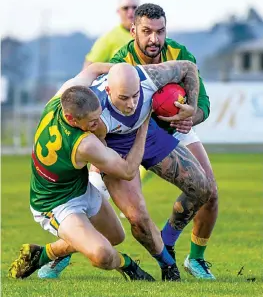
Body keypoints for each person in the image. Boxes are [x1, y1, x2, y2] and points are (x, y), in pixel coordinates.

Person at [37, 60, 213, 281]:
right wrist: (142, 127)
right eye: (123, 98)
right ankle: (168, 265)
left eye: (135, 95)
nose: (131, 104)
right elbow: (126, 170)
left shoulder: (148, 77)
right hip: (114, 146)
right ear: (109, 90)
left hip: (149, 135)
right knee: (137, 217)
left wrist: (192, 107)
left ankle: (166, 241)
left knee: (202, 188)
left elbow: (188, 67)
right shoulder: (95, 117)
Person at [8, 63, 155, 282]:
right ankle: (128, 264)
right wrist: (143, 126)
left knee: (115, 236)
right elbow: (127, 170)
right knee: (103, 255)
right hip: (54, 204)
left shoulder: (60, 99)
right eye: (93, 122)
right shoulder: (85, 144)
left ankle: (43, 254)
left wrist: (121, 75)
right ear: (71, 120)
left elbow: (95, 69)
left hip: (80, 189)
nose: (99, 125)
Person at [109, 3, 218, 280]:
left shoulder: (180, 54)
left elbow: (203, 102)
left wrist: (190, 117)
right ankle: (58, 257)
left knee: (210, 192)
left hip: (174, 128)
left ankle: (191, 257)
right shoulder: (122, 62)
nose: (154, 39)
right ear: (133, 30)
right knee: (93, 201)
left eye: (160, 31)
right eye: (146, 31)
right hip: (127, 136)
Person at [83, 0, 140, 69]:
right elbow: (88, 68)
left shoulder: (151, 35)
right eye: (125, 8)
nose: (131, 11)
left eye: (134, 7)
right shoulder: (108, 38)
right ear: (118, 11)